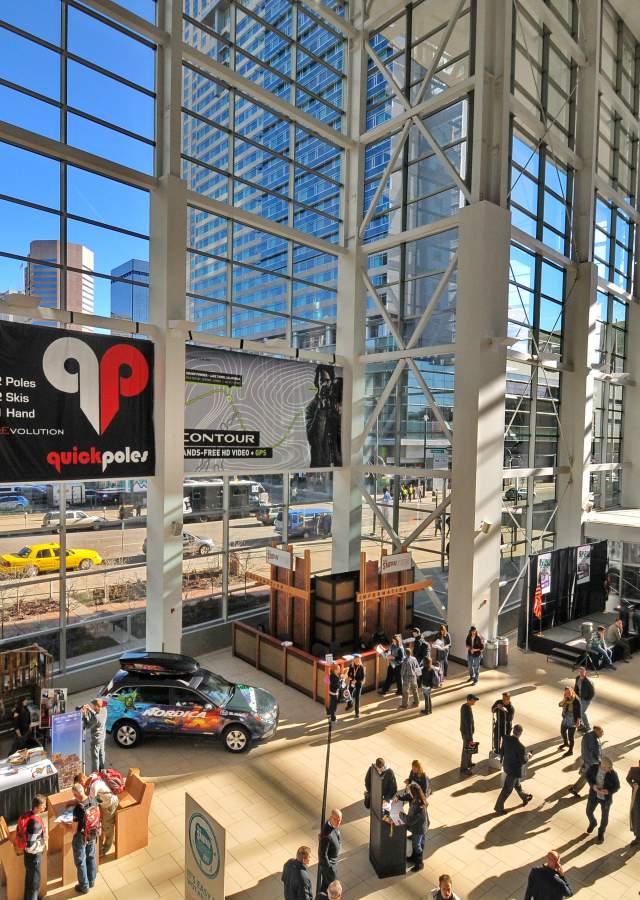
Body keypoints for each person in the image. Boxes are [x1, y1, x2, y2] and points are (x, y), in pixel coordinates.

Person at [66, 781, 100, 894]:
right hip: (93, 833)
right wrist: (76, 800)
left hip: (81, 837)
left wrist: (63, 824)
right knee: (91, 856)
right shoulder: (93, 799)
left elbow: (73, 830)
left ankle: (84, 886)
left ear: (76, 795)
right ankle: (92, 880)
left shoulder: (78, 809)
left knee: (80, 861)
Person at [494, 724, 532, 814]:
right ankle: (498, 808)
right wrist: (528, 756)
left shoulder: (506, 738)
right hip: (514, 771)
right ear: (520, 733)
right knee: (507, 789)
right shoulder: (521, 747)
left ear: (513, 730)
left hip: (507, 766)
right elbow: (523, 761)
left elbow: (502, 750)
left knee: (517, 785)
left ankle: (525, 797)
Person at [82, 772, 118, 856]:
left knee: (107, 827)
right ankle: (99, 846)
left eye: (82, 785)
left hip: (110, 805)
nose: (83, 787)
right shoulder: (91, 776)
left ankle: (105, 849)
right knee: (101, 825)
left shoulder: (93, 787)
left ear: (83, 781)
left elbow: (91, 805)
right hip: (104, 801)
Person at [585, 756, 620, 843]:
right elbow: (587, 775)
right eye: (608, 768)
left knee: (604, 817)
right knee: (588, 811)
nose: (610, 770)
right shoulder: (593, 768)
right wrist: (593, 786)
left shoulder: (612, 773)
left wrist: (608, 791)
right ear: (602, 766)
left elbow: (617, 786)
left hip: (606, 799)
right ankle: (593, 822)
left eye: (610, 768)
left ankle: (601, 832)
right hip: (594, 795)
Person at [21, 794, 47, 900]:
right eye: (42, 806)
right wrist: (42, 842)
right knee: (34, 884)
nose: (45, 807)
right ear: (36, 807)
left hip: (27, 858)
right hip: (34, 857)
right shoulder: (35, 824)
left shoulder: (29, 815)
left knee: (29, 879)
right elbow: (30, 846)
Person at [398, 782, 428, 872]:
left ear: (414, 793)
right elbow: (408, 796)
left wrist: (400, 814)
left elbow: (409, 820)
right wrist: (399, 797)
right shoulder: (417, 797)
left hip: (418, 828)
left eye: (410, 791)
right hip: (420, 826)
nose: (409, 792)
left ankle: (419, 864)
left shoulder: (418, 805)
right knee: (417, 843)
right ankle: (413, 857)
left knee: (416, 845)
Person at [570, 726, 603, 797]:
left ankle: (575, 788)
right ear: (596, 731)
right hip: (592, 762)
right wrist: (600, 762)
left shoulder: (587, 735)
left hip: (585, 758)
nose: (602, 734)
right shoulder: (595, 741)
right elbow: (596, 753)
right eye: (601, 732)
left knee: (586, 776)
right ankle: (575, 789)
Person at [318, 809, 342, 893]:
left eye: (339, 820)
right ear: (331, 818)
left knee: (325, 886)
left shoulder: (334, 825)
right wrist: (330, 869)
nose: (338, 822)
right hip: (330, 868)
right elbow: (322, 854)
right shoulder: (326, 835)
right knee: (333, 888)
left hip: (332, 864)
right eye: (336, 819)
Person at [82, 699, 107, 773]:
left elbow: (87, 725)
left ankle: (95, 773)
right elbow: (95, 713)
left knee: (95, 757)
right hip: (102, 737)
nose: (92, 707)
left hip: (96, 739)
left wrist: (85, 714)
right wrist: (90, 710)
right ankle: (102, 770)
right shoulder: (104, 710)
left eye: (94, 706)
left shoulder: (96, 718)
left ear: (97, 706)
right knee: (101, 753)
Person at [558, 687, 581, 756]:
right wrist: (564, 700)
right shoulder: (566, 699)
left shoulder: (576, 700)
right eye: (566, 693)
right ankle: (565, 743)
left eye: (569, 692)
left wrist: (578, 720)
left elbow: (579, 711)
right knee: (562, 731)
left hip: (573, 719)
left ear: (572, 692)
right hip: (566, 718)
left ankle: (570, 751)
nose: (567, 694)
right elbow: (559, 705)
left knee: (571, 737)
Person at [460, 694, 478, 775]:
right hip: (467, 733)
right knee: (466, 750)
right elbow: (468, 724)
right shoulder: (466, 709)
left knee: (469, 748)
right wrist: (470, 736)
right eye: (474, 700)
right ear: (469, 700)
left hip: (468, 732)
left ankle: (469, 762)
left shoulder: (465, 706)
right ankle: (464, 768)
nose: (475, 702)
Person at [573, 666, 595, 732]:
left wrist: (587, 699)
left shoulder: (588, 682)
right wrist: (575, 695)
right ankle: (581, 726)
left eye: (582, 672)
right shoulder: (577, 678)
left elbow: (592, 693)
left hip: (586, 700)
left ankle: (587, 727)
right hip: (579, 698)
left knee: (581, 712)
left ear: (585, 672)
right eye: (580, 672)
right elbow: (576, 687)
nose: (581, 673)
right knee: (578, 712)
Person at [345, 653, 364, 718]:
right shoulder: (351, 665)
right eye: (356, 659)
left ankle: (357, 713)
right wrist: (350, 677)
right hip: (352, 682)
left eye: (358, 660)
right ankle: (349, 705)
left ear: (359, 660)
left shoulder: (361, 667)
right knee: (348, 694)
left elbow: (362, 677)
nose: (357, 661)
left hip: (358, 683)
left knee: (357, 697)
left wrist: (356, 681)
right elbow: (349, 673)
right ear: (354, 660)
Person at [626, 760, 640, 846]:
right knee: (636, 815)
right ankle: (638, 837)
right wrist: (633, 785)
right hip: (637, 796)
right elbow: (628, 778)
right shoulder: (634, 770)